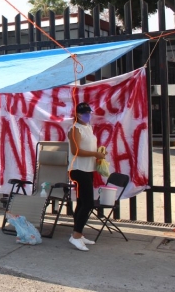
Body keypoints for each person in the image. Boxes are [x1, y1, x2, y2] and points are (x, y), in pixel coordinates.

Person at [67, 102, 106, 251]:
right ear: (77, 114)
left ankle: (78, 233)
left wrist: (99, 153)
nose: (88, 116)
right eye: (85, 113)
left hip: (88, 168)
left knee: (82, 201)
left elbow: (89, 147)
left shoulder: (88, 127)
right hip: (78, 169)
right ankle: (76, 236)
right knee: (88, 203)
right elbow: (76, 150)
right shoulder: (75, 129)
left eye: (89, 113)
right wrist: (95, 154)